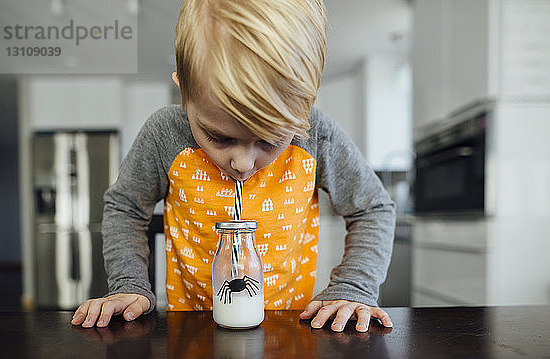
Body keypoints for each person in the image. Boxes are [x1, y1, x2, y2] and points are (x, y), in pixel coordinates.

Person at [71, 0, 395, 332]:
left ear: (304, 105)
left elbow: (373, 208)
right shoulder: (164, 134)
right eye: (219, 137)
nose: (242, 164)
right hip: (190, 333)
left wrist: (354, 286)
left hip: (290, 333)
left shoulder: (315, 134)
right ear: (185, 90)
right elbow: (125, 208)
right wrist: (129, 283)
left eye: (269, 141)